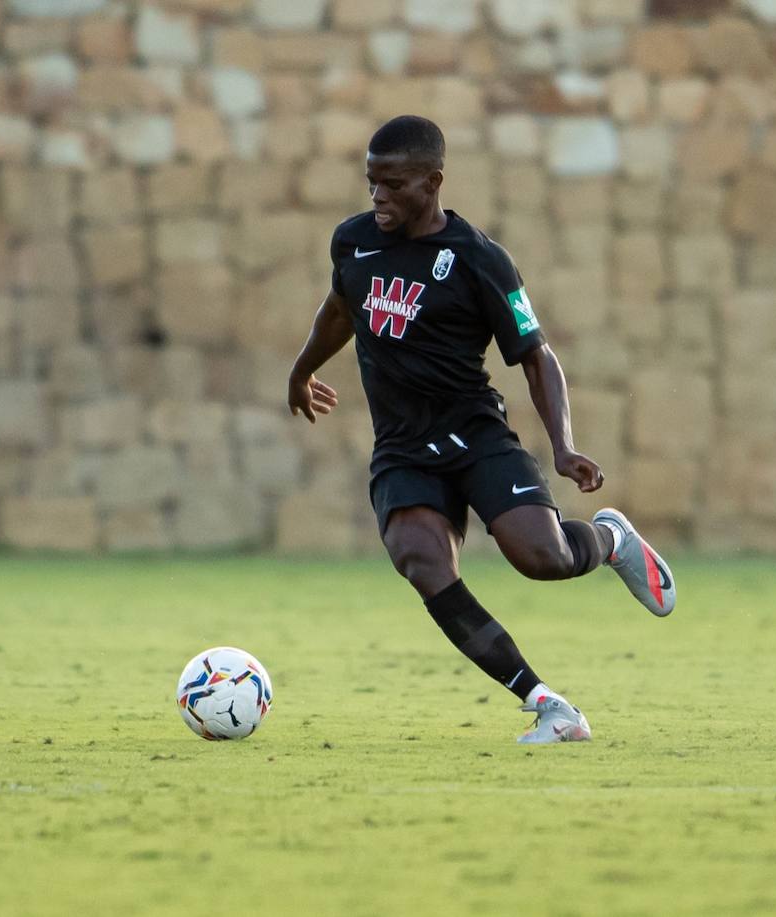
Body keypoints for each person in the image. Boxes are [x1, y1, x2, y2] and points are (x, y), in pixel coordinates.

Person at [286, 115, 676, 744]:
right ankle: (549, 705)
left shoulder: (478, 259)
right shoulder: (353, 242)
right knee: (421, 561)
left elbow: (536, 355)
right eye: (370, 184)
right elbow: (341, 310)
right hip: (404, 451)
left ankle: (609, 539)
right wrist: (302, 370)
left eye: (392, 184)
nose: (377, 197)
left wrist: (564, 445)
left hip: (475, 436)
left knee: (541, 558)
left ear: (431, 182)